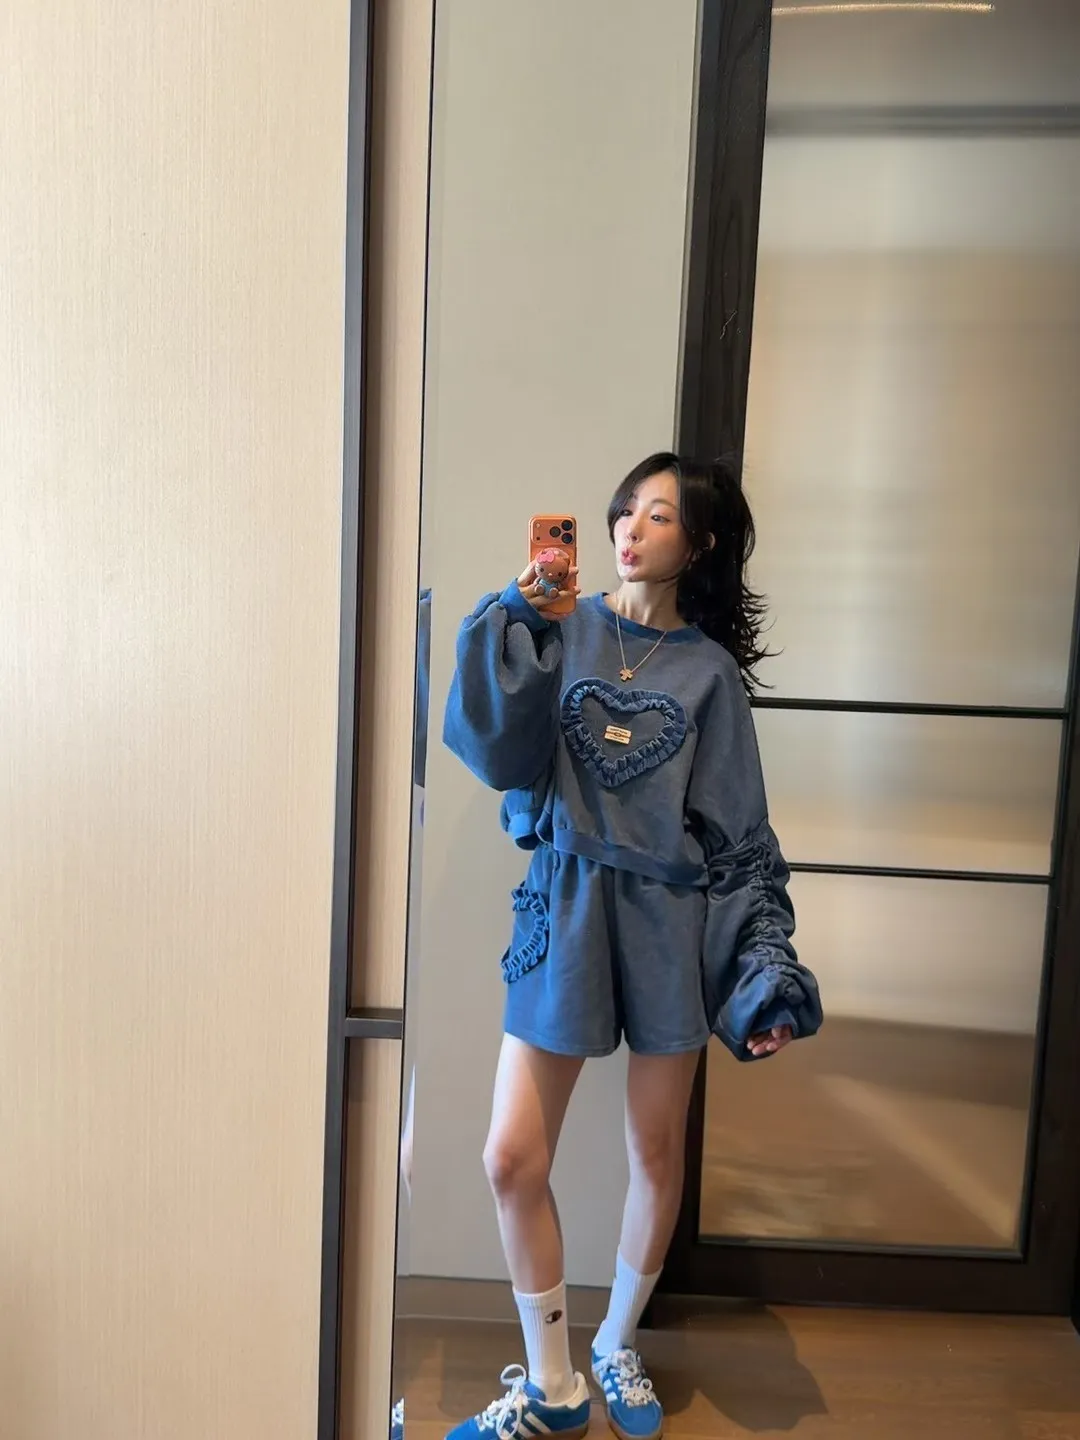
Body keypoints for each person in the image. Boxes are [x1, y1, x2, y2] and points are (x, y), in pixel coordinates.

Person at [441, 454, 823, 1440]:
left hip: (665, 925)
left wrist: (762, 978)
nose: (629, 527)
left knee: (655, 1150)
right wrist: (518, 617)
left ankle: (615, 1340)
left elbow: (738, 842)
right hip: (564, 906)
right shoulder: (559, 626)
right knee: (510, 1157)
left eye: (658, 514)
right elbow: (494, 751)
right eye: (624, 510)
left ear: (697, 542)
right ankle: (554, 1385)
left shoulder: (710, 677)